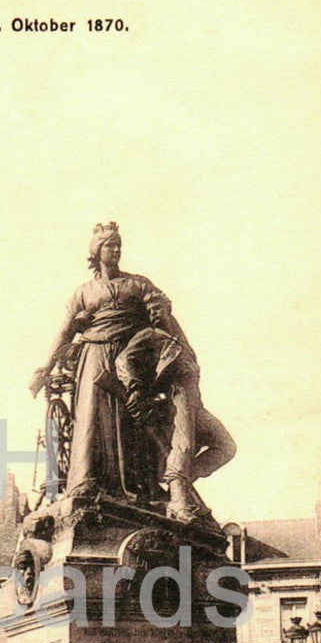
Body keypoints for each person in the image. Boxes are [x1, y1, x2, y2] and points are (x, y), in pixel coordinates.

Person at [29, 221, 235, 522]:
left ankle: (142, 491)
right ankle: (87, 487)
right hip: (95, 359)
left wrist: (185, 353)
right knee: (90, 423)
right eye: (109, 245)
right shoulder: (83, 292)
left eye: (118, 245)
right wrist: (44, 369)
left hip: (134, 360)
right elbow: (63, 332)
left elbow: (166, 322)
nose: (116, 250)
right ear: (97, 252)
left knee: (132, 426)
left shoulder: (138, 285)